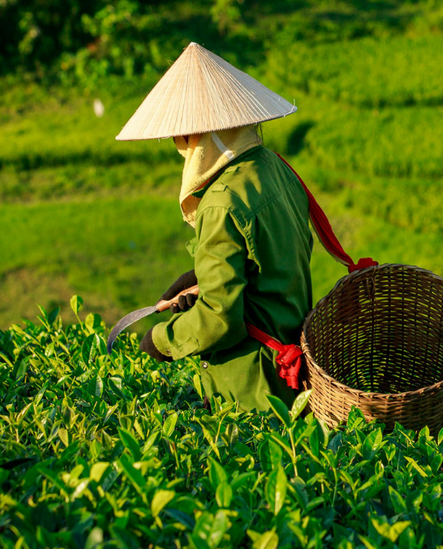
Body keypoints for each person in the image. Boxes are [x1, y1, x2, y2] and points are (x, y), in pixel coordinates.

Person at [115, 43, 311, 411]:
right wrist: (204, 276)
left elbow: (220, 321)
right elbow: (272, 260)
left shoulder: (221, 201)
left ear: (200, 136)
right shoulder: (275, 167)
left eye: (181, 136)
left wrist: (161, 340)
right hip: (292, 367)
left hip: (251, 387)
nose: (179, 146)